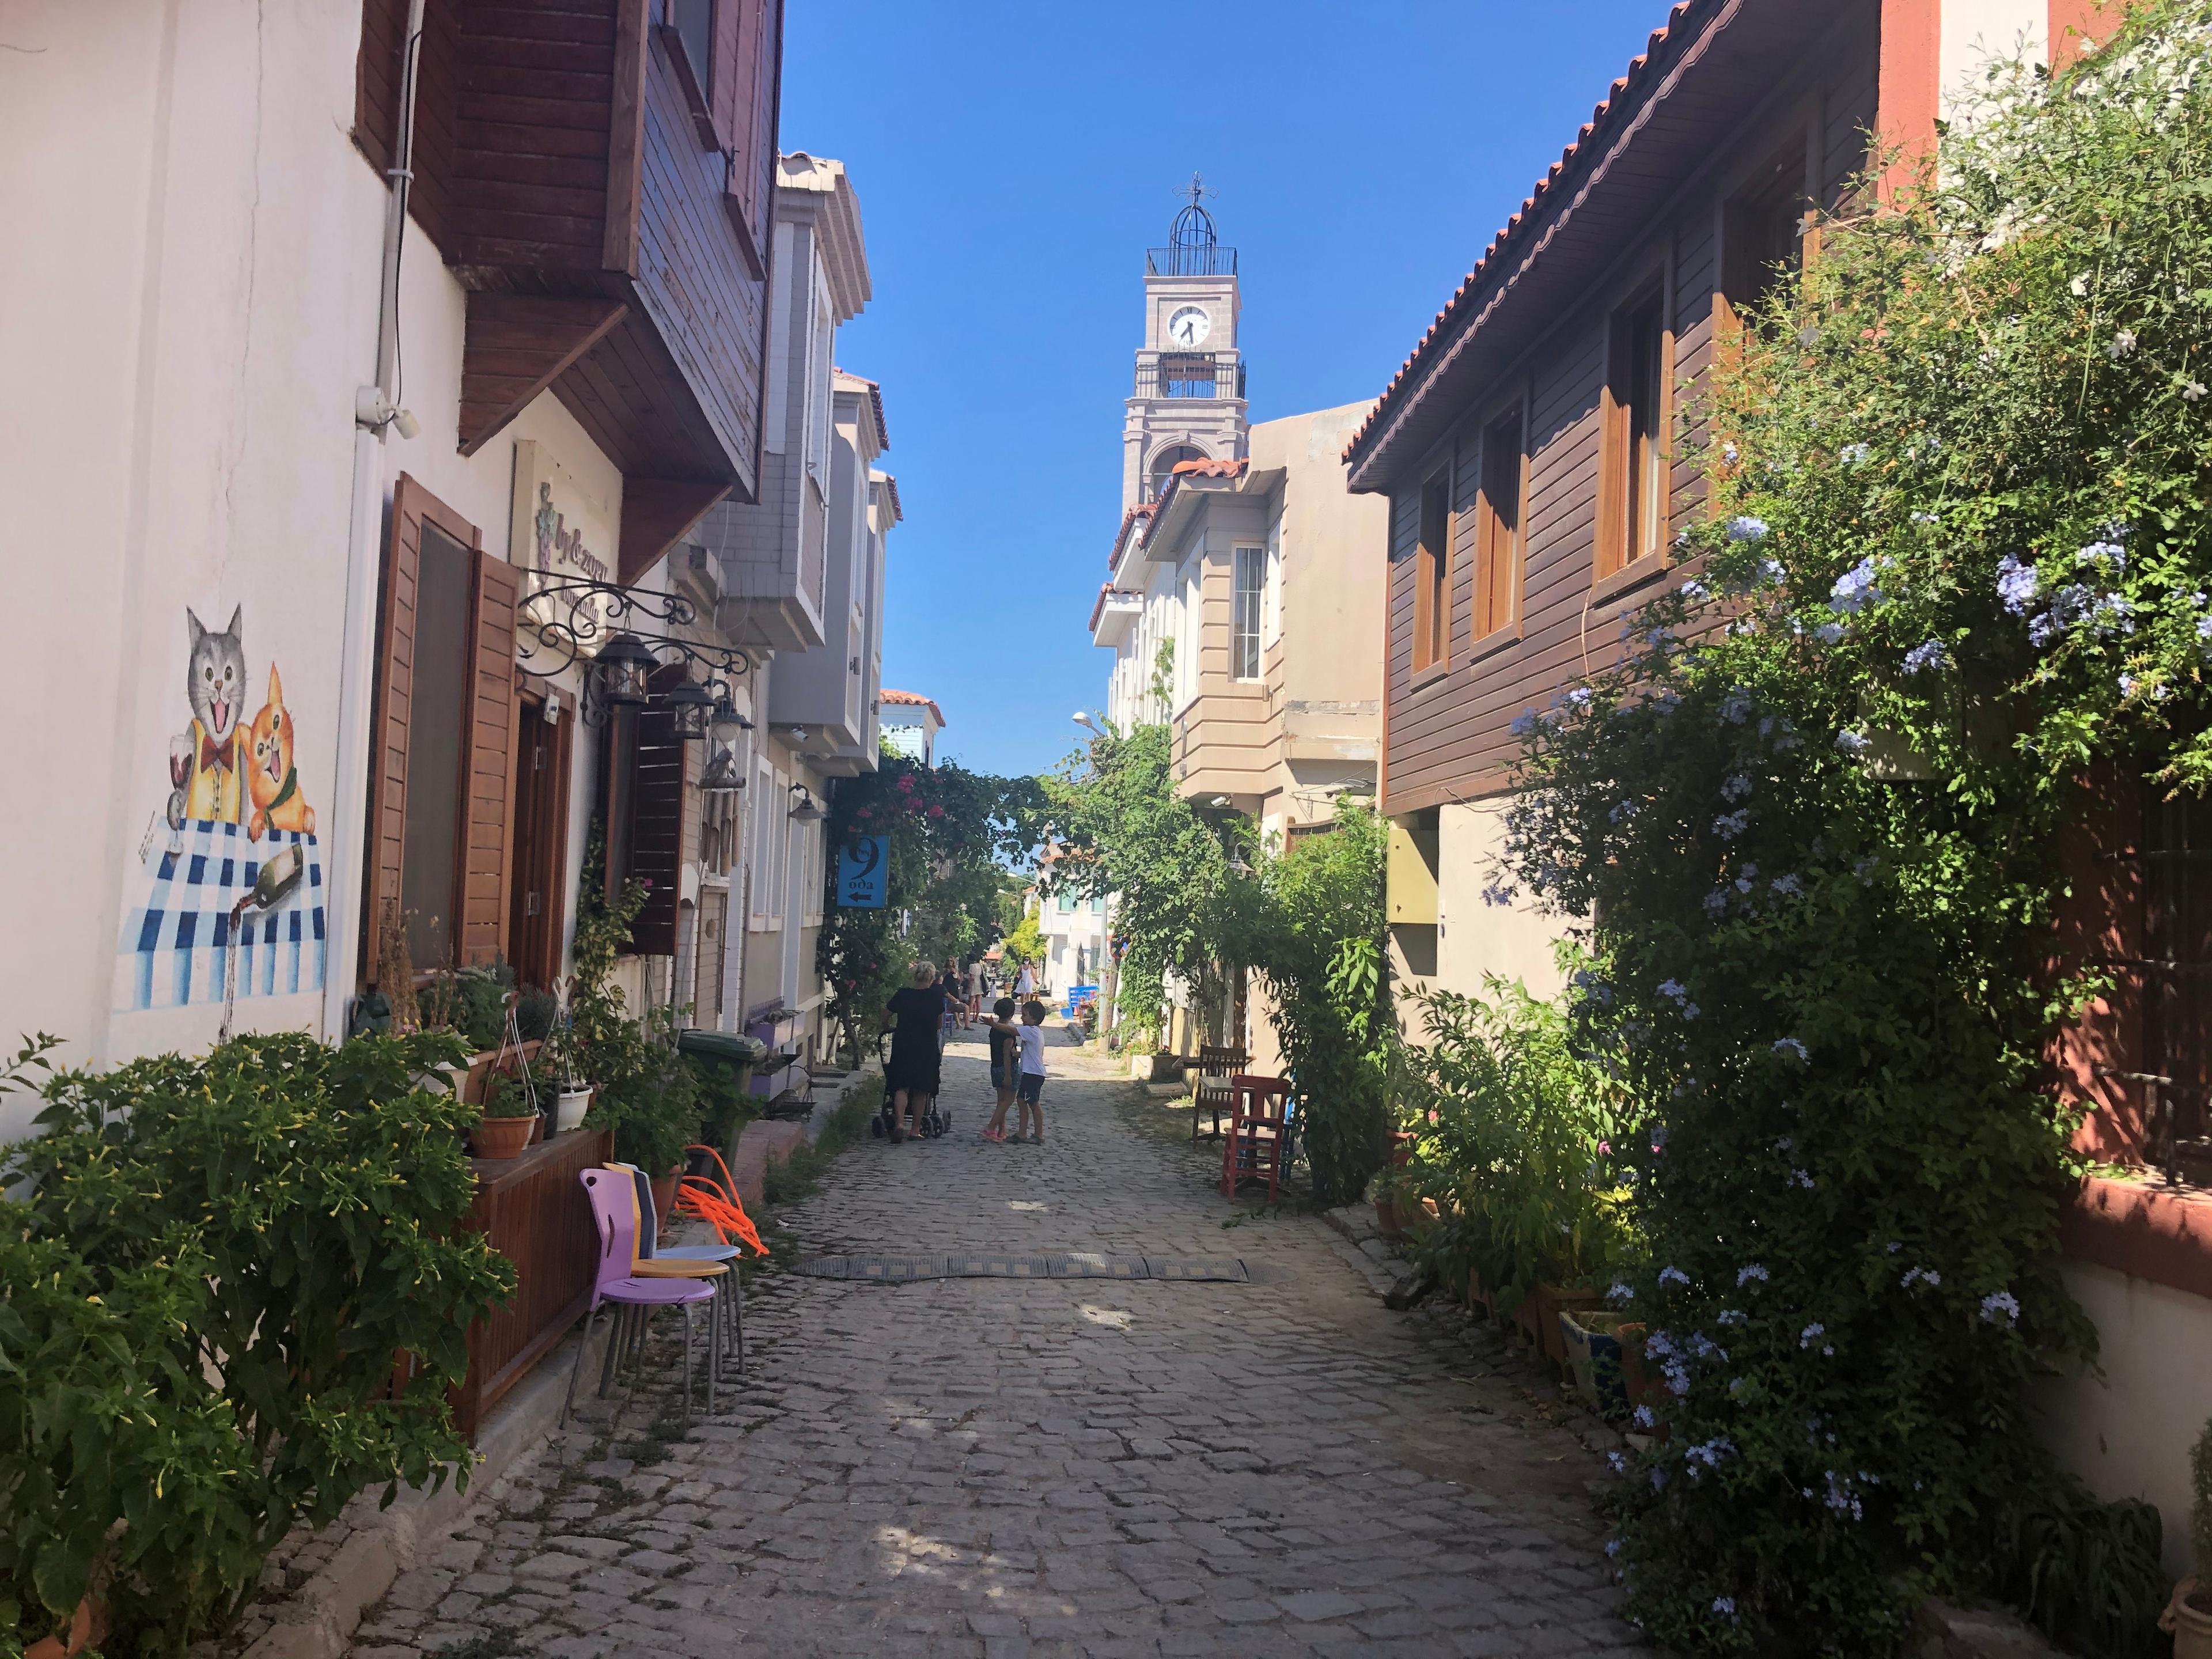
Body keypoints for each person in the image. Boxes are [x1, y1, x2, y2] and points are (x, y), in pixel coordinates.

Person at [882, 961, 948, 1143]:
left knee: (901, 1086)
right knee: (921, 1089)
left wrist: (888, 1027)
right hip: (926, 1047)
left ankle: (900, 1124)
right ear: (932, 978)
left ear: (915, 976)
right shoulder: (935, 998)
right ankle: (915, 1130)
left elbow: (885, 1014)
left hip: (904, 1045)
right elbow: (939, 1025)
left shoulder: (903, 995)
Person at [979, 997, 1020, 1143]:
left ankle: (1002, 1131)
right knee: (1008, 1100)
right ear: (1012, 1014)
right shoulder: (1009, 1032)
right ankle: (991, 1128)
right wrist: (1008, 1075)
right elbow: (1007, 1053)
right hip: (1007, 1068)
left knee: (1001, 1102)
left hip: (995, 1067)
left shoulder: (994, 1029)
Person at [1013, 998, 1048, 1145]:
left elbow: (1011, 1030)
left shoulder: (1031, 1031)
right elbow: (1032, 1054)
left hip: (1033, 1074)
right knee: (1021, 1101)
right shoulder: (1035, 1032)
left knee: (1033, 1103)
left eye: (1025, 1015)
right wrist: (1017, 1054)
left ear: (1033, 1018)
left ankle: (1039, 1134)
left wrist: (994, 1024)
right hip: (1029, 1072)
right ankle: (1022, 1133)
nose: (1022, 1018)